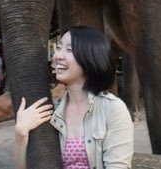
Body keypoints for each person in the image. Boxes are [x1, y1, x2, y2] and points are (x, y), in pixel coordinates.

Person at [14, 26, 134, 169]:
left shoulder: (113, 109)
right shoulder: (51, 110)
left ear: (90, 57)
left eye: (69, 50)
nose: (57, 56)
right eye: (58, 48)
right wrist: (21, 133)